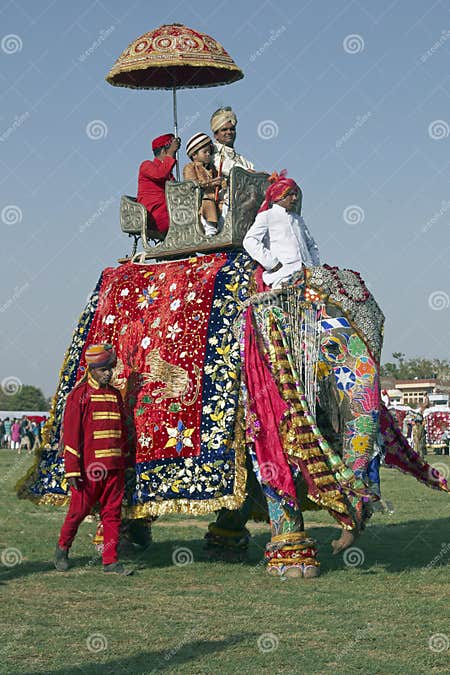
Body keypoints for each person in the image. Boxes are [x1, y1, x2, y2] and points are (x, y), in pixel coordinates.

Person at [54, 344, 134, 576]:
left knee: (112, 515)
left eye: (110, 368)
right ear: (92, 369)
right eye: (103, 369)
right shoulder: (79, 396)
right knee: (77, 512)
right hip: (90, 470)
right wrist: (72, 470)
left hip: (114, 468)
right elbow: (71, 435)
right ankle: (62, 548)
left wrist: (125, 462)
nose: (108, 373)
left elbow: (120, 432)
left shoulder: (115, 394)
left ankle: (110, 560)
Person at [243, 171, 320, 288]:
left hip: (308, 275)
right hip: (283, 274)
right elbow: (249, 241)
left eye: (295, 194)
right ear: (279, 196)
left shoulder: (298, 219)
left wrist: (314, 267)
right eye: (291, 194)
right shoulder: (267, 216)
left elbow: (311, 245)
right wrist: (272, 263)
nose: (295, 198)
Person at [210, 107, 254, 218]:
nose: (229, 132)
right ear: (216, 134)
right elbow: (228, 167)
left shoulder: (242, 159)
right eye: (224, 130)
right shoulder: (213, 153)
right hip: (223, 205)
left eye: (232, 129)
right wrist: (247, 172)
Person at [137, 134, 181, 234]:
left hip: (170, 213)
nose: (174, 157)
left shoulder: (169, 175)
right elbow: (160, 174)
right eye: (173, 151)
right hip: (156, 218)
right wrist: (170, 154)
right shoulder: (146, 165)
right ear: (163, 151)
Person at [183, 132, 224, 236]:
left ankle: (222, 229)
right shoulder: (189, 167)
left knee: (225, 203)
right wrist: (211, 183)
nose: (208, 154)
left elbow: (221, 183)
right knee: (208, 202)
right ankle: (210, 231)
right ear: (194, 155)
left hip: (214, 198)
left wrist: (223, 184)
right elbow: (192, 184)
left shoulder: (211, 168)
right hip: (199, 202)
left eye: (209, 152)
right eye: (205, 152)